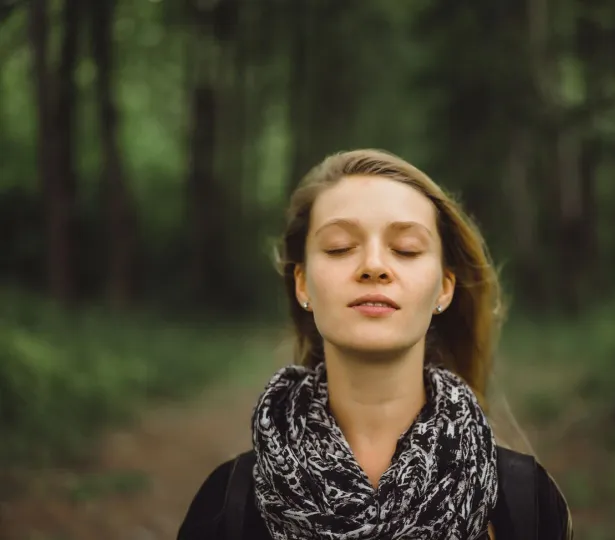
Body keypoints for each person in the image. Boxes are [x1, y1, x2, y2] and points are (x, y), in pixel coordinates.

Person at [177, 149, 572, 540]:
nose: (374, 265)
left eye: (406, 249)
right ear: (302, 284)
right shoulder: (226, 505)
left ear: (444, 289)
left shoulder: (526, 503)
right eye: (338, 247)